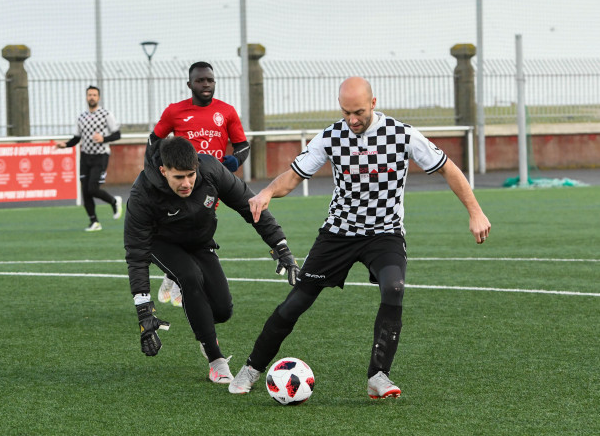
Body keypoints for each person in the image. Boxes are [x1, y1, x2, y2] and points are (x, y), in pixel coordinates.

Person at [228, 77, 491, 399]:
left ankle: (378, 376)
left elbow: (448, 168)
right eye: (346, 112)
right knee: (296, 302)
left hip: (385, 234)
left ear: (374, 103)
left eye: (359, 112)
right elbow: (294, 175)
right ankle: (252, 368)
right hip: (338, 233)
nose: (352, 120)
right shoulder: (331, 136)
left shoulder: (402, 134)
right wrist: (267, 192)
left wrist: (475, 212)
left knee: (393, 289)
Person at [123, 136, 299, 384]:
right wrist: (144, 311)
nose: (186, 183)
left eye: (190, 175)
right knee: (189, 276)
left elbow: (249, 205)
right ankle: (215, 359)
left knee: (222, 310)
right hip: (162, 244)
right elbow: (136, 253)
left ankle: (197, 314)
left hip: (200, 241)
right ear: (163, 171)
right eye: (178, 177)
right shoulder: (142, 193)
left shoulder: (212, 170)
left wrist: (281, 247)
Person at [152, 61, 251, 307]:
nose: (206, 84)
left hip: (211, 184)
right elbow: (154, 140)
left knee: (200, 228)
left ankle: (172, 275)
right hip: (183, 183)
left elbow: (244, 145)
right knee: (186, 226)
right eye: (200, 80)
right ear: (190, 84)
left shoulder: (226, 112)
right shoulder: (175, 111)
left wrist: (233, 161)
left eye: (209, 80)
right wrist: (159, 170)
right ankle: (178, 277)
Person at [56, 85, 122, 231]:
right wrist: (65, 145)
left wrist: (103, 138)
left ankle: (113, 201)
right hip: (85, 157)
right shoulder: (81, 117)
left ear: (98, 98)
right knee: (85, 190)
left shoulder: (106, 114)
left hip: (101, 156)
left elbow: (117, 134)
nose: (91, 97)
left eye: (94, 95)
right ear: (86, 97)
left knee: (93, 188)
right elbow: (76, 138)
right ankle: (94, 222)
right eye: (89, 95)